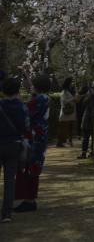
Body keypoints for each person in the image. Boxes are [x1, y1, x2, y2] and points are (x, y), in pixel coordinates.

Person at [14, 74, 50, 213]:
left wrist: (17, 100)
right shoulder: (45, 98)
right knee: (34, 166)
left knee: (28, 166)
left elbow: (25, 111)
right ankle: (30, 198)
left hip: (33, 137)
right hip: (40, 136)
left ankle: (28, 200)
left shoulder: (39, 100)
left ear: (37, 87)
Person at [0, 77, 29, 223]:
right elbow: (25, 126)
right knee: (10, 180)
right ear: (17, 91)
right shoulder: (22, 107)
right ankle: (6, 213)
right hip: (14, 144)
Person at [56, 77, 76, 148]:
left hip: (70, 112)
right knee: (63, 127)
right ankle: (60, 142)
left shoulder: (69, 91)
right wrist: (73, 99)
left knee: (69, 127)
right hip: (65, 112)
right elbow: (64, 101)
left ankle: (68, 141)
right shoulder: (64, 92)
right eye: (71, 82)